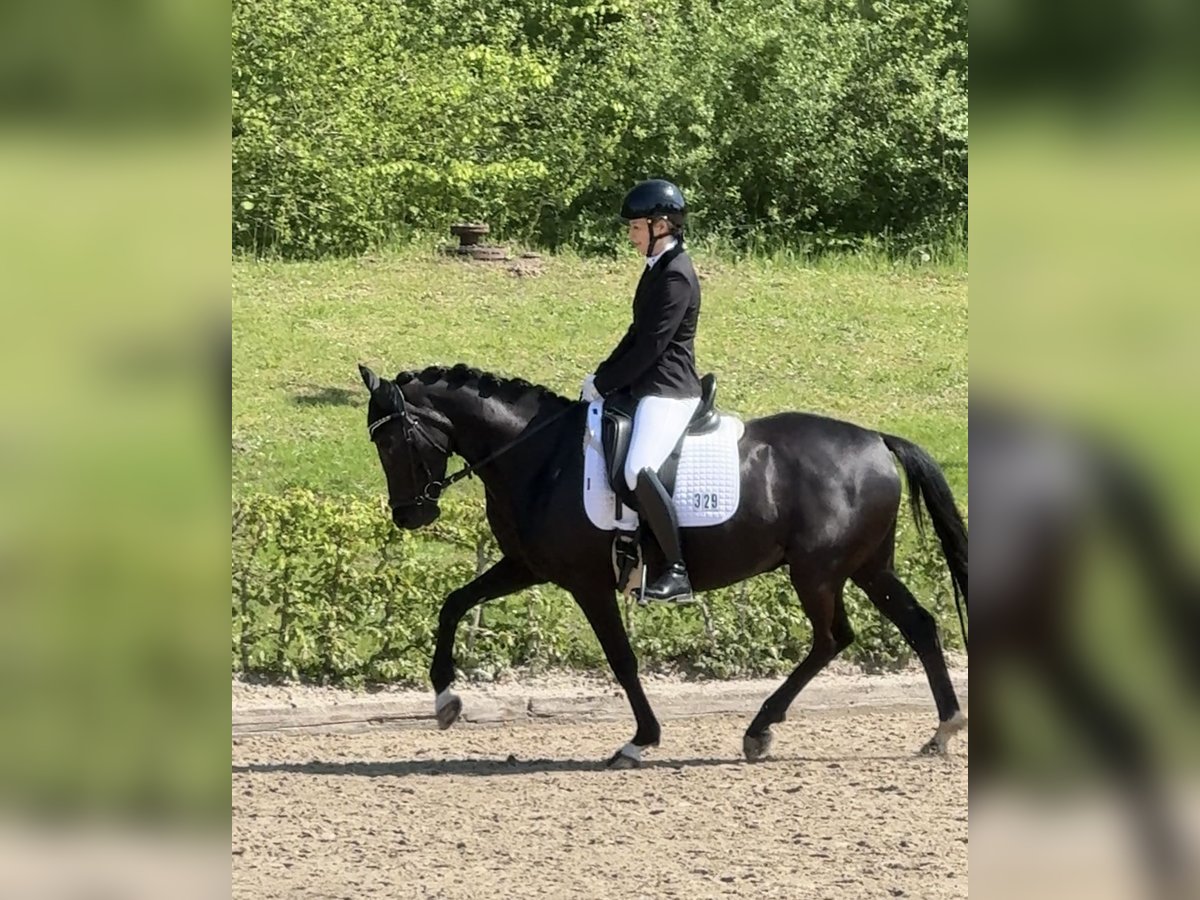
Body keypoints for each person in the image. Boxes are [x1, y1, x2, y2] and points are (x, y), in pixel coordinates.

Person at [580, 179, 702, 603]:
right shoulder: (656, 269)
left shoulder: (677, 277)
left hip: (669, 389)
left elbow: (652, 345)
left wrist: (608, 382)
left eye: (636, 228)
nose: (631, 237)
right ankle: (628, 538)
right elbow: (635, 334)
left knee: (638, 468)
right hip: (647, 383)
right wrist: (600, 376)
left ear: (662, 225)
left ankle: (677, 569)